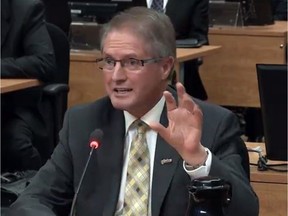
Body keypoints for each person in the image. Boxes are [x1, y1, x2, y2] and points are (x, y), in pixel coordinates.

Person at [5, 7, 258, 216]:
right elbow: (31, 201)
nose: (116, 76)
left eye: (132, 62)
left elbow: (247, 211)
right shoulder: (84, 123)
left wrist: (198, 159)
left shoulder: (211, 124)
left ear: (165, 67)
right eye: (109, 62)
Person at [1, 0, 56, 171]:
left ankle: (34, 192)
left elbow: (44, 62)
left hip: (11, 109)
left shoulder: (26, 9)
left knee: (15, 144)